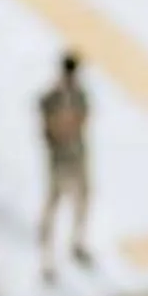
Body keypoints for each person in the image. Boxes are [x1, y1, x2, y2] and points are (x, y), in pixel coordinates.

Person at [38, 49, 94, 277]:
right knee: (53, 206)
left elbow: (83, 120)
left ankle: (77, 241)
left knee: (82, 200)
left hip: (77, 156)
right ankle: (47, 258)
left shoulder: (80, 95)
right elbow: (49, 128)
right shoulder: (51, 98)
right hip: (59, 159)